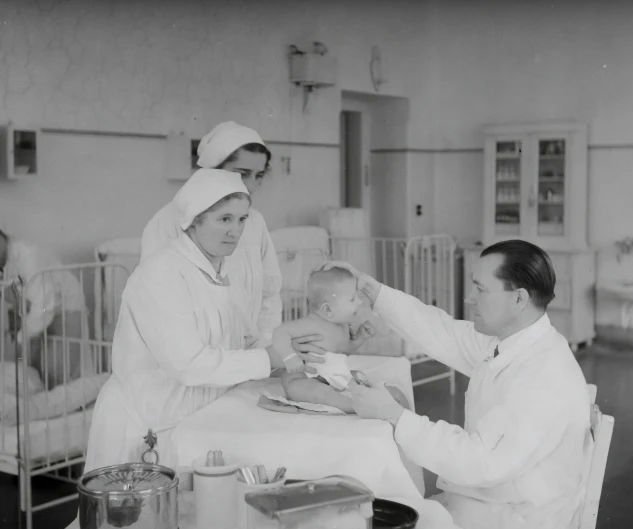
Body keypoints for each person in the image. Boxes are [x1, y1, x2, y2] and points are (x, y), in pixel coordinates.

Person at [325, 240, 593, 529]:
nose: (470, 298)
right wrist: (373, 292)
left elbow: (479, 461)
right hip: (488, 514)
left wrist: (395, 416)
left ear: (519, 299)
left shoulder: (544, 376)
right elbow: (441, 331)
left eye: (481, 289)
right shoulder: (512, 342)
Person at [84, 169, 294, 472]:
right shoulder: (162, 274)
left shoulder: (220, 273)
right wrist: (266, 359)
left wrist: (288, 345)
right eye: (224, 219)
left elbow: (240, 339)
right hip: (144, 429)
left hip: (189, 427)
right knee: (134, 518)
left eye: (242, 219)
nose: (235, 231)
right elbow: (187, 363)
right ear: (194, 220)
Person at [140, 121, 290, 352]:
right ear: (212, 171)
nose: (251, 186)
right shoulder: (169, 222)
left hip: (246, 358)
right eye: (242, 174)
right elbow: (161, 305)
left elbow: (269, 293)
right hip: (192, 362)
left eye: (259, 175)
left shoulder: (255, 222)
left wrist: (266, 348)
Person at [271, 266, 409, 414]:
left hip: (329, 376)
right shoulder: (311, 324)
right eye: (352, 299)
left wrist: (360, 338)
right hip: (301, 377)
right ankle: (353, 405)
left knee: (356, 376)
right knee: (313, 391)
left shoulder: (343, 326)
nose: (359, 302)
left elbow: (344, 350)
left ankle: (374, 397)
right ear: (327, 310)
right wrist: (289, 357)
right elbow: (280, 332)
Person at [0, 228, 92, 388]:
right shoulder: (6, 266)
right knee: (36, 372)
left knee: (61, 371)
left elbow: (45, 304)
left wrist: (23, 335)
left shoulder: (27, 256)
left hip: (66, 307)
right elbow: (15, 298)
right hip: (39, 313)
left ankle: (73, 407)